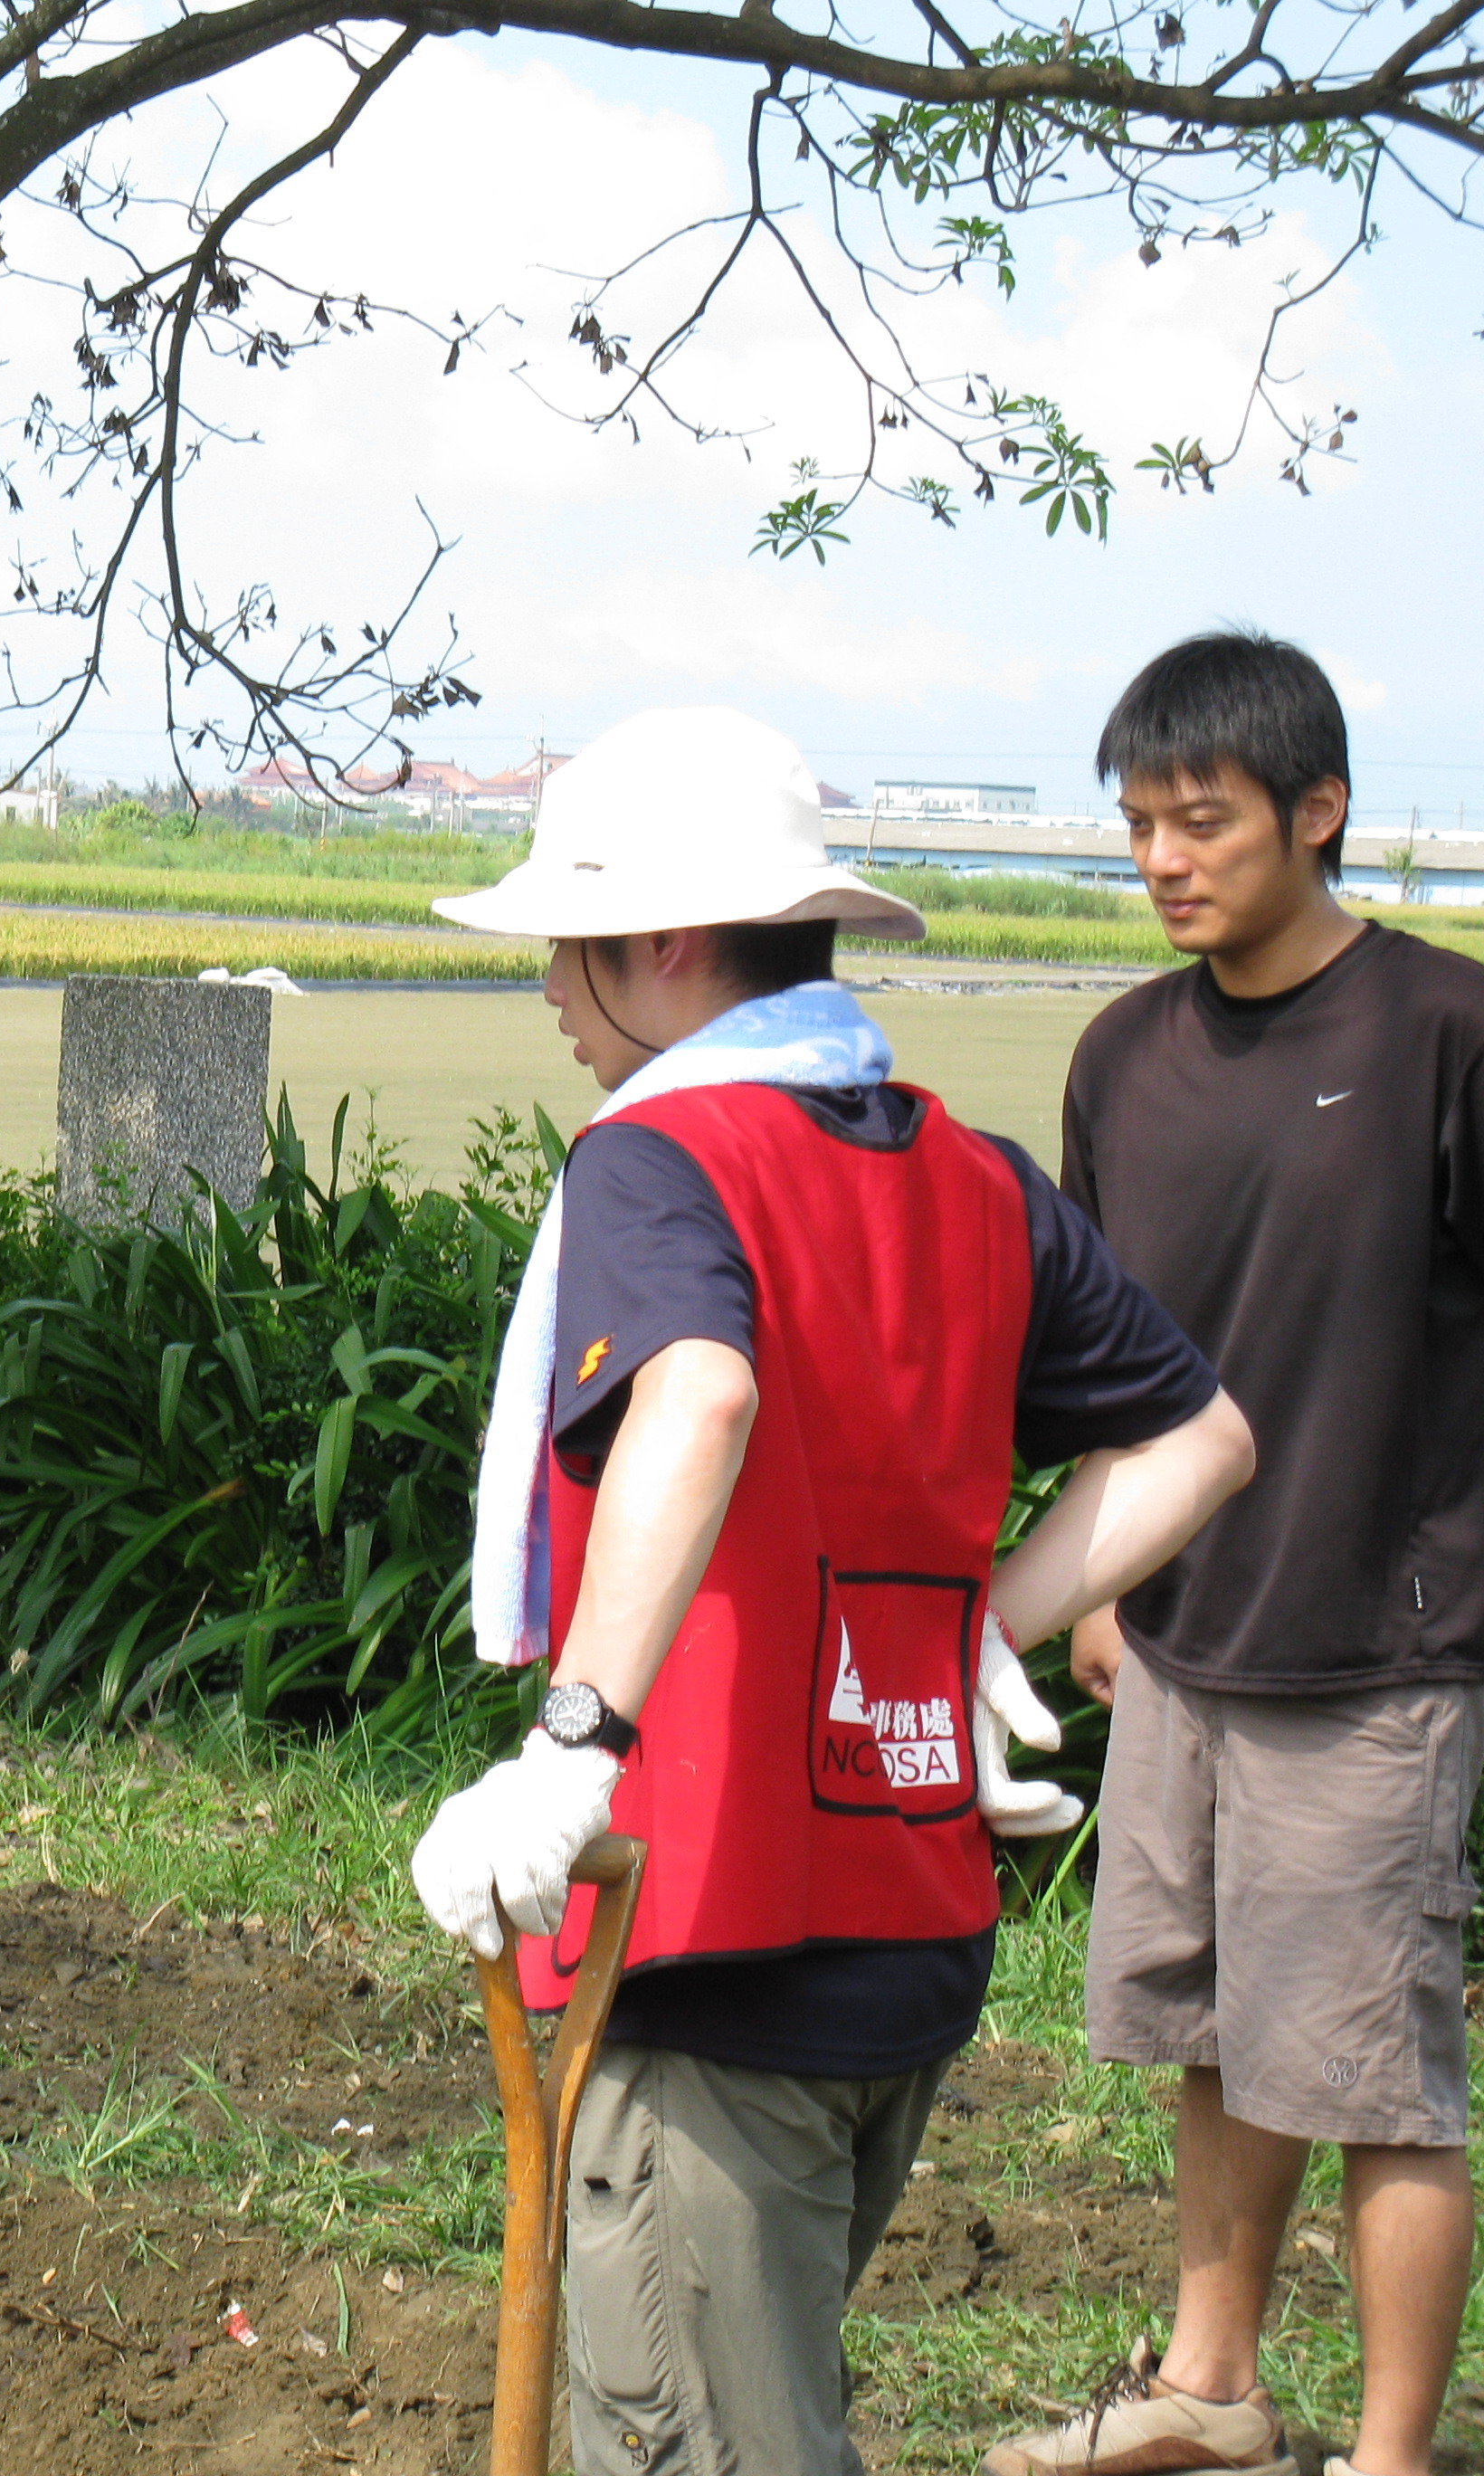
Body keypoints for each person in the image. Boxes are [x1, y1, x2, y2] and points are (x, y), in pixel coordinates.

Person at [404, 705, 1257, 2475]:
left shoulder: (663, 1160)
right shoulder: (967, 1177)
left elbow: (698, 1393)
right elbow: (1202, 1441)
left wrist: (577, 1741)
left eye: (569, 944)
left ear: (659, 945)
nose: (552, 990)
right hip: (905, 1939)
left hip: (713, 1935)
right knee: (741, 2395)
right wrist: (975, 1627)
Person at [984, 634, 1484, 2476]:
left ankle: (1395, 2452)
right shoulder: (1125, 1057)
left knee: (1378, 2077)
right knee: (1213, 2034)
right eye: (1139, 829)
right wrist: (1103, 1582)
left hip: (1383, 1641)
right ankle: (1211, 2387)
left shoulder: (1447, 1032)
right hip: (1185, 1639)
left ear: (1319, 814)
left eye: (1202, 822)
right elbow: (1115, 1355)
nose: (1166, 860)